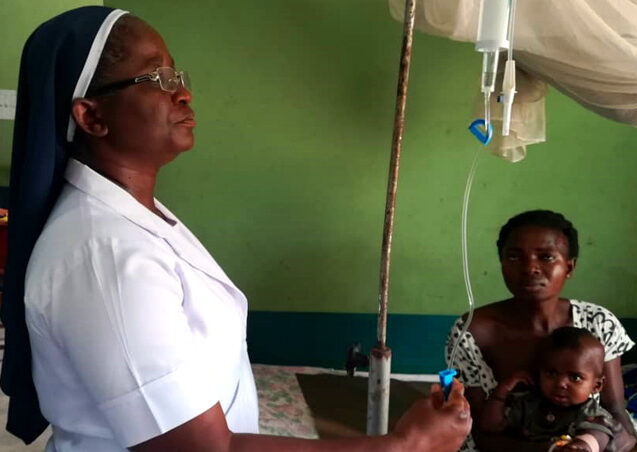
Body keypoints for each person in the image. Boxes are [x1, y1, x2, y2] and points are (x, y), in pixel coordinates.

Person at [0, 6, 472, 451]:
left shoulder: (133, 218)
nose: (183, 93)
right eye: (157, 78)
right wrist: (405, 445)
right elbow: (205, 448)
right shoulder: (104, 256)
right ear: (92, 116)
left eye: (177, 76)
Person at [445, 210, 636, 452]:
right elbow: (481, 433)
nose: (530, 268)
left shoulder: (598, 323)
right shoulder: (470, 332)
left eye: (546, 257)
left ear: (569, 267)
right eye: (514, 257)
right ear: (502, 264)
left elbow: (616, 411)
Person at [480, 327, 621, 452]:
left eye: (575, 377)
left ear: (596, 386)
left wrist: (582, 446)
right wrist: (502, 391)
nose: (560, 383)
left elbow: (599, 435)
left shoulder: (590, 412)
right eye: (551, 373)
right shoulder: (528, 404)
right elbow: (490, 427)